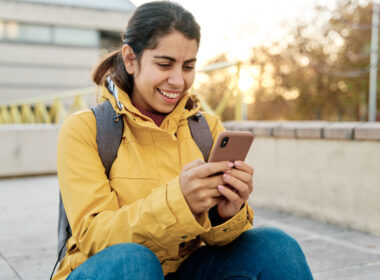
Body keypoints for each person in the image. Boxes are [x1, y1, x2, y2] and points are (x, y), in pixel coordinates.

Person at [52, 1, 313, 279]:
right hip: (110, 270)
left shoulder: (207, 128)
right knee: (135, 261)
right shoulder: (84, 129)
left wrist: (226, 214)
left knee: (275, 246)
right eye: (165, 64)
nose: (178, 81)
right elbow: (94, 238)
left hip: (185, 271)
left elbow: (220, 243)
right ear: (131, 59)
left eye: (188, 66)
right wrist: (180, 203)